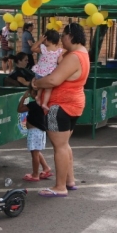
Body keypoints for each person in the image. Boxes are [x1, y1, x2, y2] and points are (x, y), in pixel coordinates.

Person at [32, 22, 90, 198]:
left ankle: (60, 186)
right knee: (64, 145)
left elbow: (52, 80)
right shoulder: (82, 53)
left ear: (71, 36)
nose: (61, 39)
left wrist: (35, 84)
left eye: (63, 35)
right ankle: (69, 181)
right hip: (73, 104)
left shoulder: (74, 56)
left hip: (61, 106)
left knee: (60, 147)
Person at [17, 89, 53, 182]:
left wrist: (24, 97)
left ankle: (35, 174)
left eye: (32, 92)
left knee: (34, 154)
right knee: (36, 151)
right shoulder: (42, 103)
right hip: (39, 131)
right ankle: (46, 168)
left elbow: (19, 109)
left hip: (35, 131)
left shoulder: (34, 104)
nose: (30, 93)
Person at [31, 30, 64, 111]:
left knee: (40, 86)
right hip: (49, 74)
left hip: (40, 72)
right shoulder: (59, 51)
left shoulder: (43, 48)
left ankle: (38, 97)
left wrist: (40, 41)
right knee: (48, 89)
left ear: (46, 39)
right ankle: (44, 103)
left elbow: (33, 48)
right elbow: (60, 62)